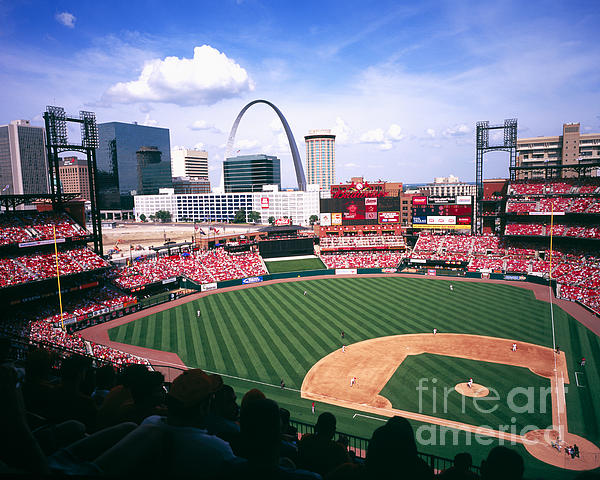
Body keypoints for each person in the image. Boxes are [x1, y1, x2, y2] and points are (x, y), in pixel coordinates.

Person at [297, 412, 350, 476]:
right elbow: (349, 467)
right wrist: (343, 446)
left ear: (316, 427)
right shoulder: (339, 449)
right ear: (333, 431)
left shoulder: (306, 438)